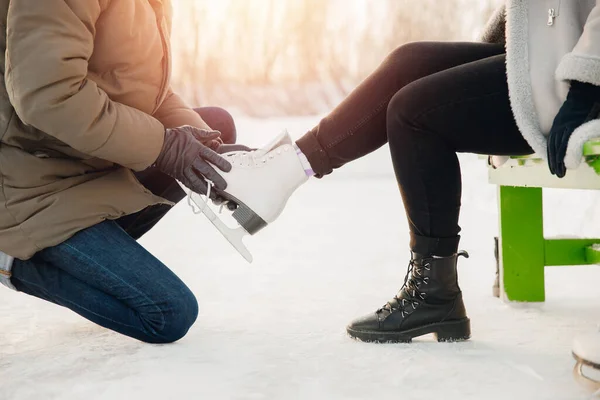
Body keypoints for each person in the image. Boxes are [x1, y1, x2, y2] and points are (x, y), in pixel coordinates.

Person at [210, 1, 600, 343]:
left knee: (413, 113)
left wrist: (585, 88)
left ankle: (435, 291)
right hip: (553, 49)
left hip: (582, 79)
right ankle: (283, 171)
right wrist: (504, 43)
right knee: (407, 63)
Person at [0, 0, 250, 343]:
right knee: (168, 314)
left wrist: (210, 154)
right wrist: (164, 147)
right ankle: (17, 258)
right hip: (32, 181)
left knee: (215, 129)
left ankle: (86, 254)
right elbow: (48, 97)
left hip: (86, 160)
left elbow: (150, 93)